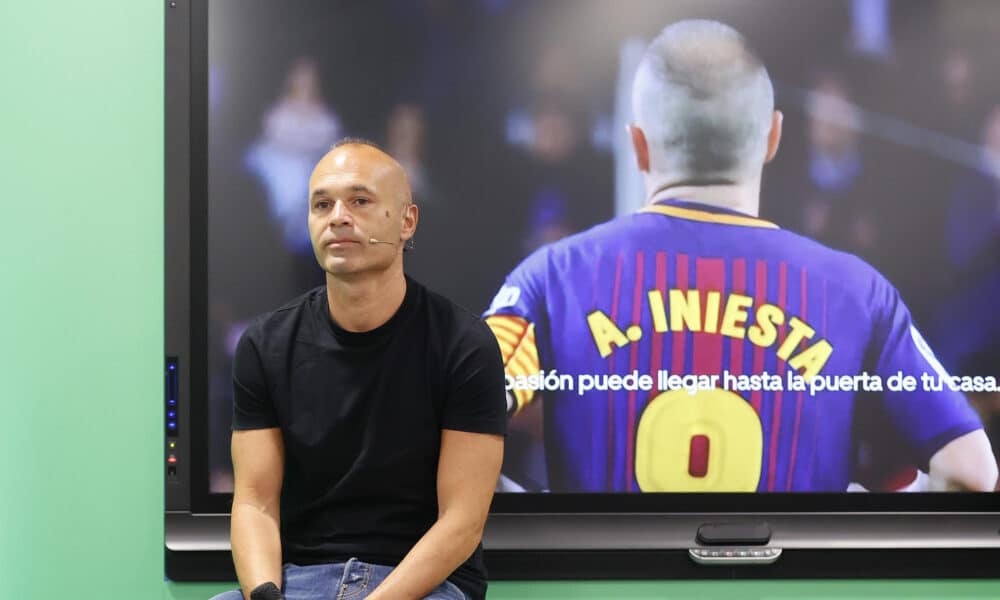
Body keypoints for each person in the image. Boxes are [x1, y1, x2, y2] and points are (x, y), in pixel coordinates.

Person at [483, 19, 997, 494]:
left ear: (638, 146)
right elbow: (973, 471)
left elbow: (439, 421)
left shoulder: (549, 281)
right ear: (773, 137)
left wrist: (532, 513)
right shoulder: (858, 294)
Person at [211, 139, 507, 600]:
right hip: (298, 581)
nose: (338, 217)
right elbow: (254, 504)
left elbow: (462, 523)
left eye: (360, 200)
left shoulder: (464, 344)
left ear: (407, 221)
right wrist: (266, 597)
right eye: (322, 204)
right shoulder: (265, 345)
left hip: (424, 586)